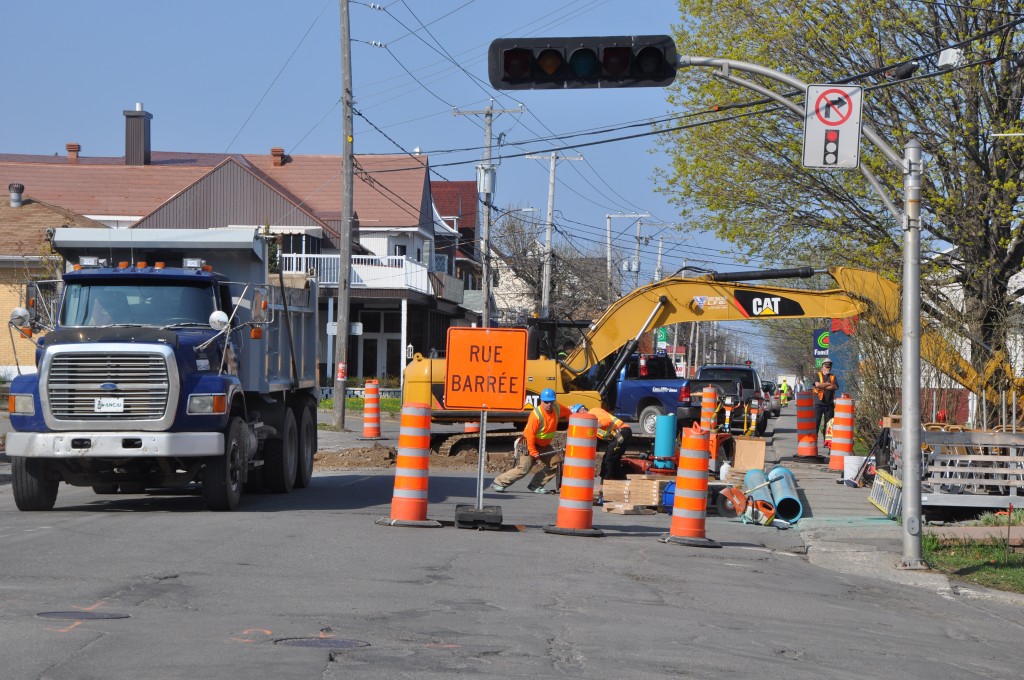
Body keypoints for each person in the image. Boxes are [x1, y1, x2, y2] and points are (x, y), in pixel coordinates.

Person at [491, 388, 561, 493]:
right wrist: (533, 452)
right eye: (546, 402)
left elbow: (569, 411)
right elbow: (529, 436)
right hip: (528, 443)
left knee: (556, 463)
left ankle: (536, 485)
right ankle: (499, 482)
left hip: (543, 445)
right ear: (541, 401)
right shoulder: (536, 415)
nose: (549, 404)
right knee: (523, 468)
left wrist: (578, 410)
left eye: (551, 401)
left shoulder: (556, 408)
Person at [569, 403, 632, 486]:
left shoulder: (594, 411)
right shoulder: (590, 423)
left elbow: (607, 421)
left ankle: (605, 483)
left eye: (578, 415)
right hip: (619, 435)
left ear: (582, 410)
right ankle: (621, 481)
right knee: (613, 459)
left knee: (609, 458)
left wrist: (593, 426)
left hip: (622, 432)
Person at [813, 360, 839, 445]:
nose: (828, 368)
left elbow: (835, 386)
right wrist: (828, 384)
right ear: (822, 366)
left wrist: (823, 385)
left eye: (829, 367)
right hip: (819, 403)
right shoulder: (817, 375)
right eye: (827, 366)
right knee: (816, 423)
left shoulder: (833, 376)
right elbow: (817, 385)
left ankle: (828, 443)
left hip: (829, 404)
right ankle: (814, 442)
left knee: (829, 425)